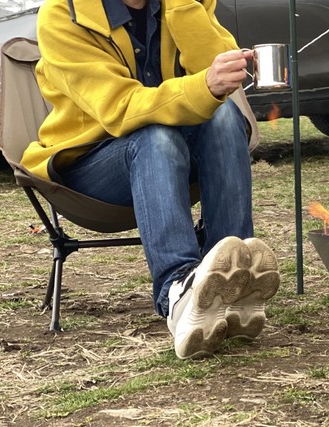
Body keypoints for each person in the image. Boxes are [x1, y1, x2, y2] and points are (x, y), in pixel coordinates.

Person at [21, 0, 280, 360]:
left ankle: (230, 279)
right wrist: (204, 85)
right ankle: (178, 290)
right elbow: (119, 106)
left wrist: (184, 8)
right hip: (88, 165)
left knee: (222, 117)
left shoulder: (185, 3)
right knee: (154, 135)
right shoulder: (64, 13)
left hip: (172, 155)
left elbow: (224, 81)